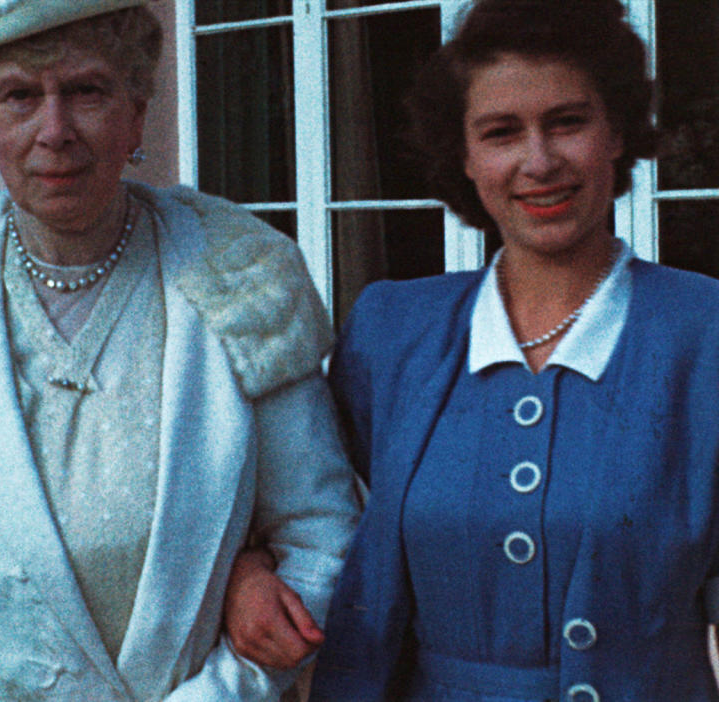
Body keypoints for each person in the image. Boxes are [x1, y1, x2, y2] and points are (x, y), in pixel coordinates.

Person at [0, 1, 359, 700]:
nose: (54, 131)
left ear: (136, 113)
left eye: (86, 90)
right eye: (21, 96)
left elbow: (322, 537)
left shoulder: (240, 274)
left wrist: (226, 688)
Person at [227, 0, 719, 699]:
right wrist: (247, 574)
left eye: (568, 122)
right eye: (501, 132)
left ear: (615, 132)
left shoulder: (704, 334)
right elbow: (284, 502)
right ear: (463, 155)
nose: (539, 161)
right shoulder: (392, 334)